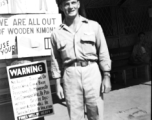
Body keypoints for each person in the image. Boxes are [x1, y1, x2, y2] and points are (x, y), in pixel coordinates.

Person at [50, 0, 112, 120]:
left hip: (92, 72)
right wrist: (58, 84)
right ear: (61, 7)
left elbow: (103, 52)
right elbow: (55, 60)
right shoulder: (56, 34)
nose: (70, 6)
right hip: (70, 75)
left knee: (96, 112)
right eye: (66, 4)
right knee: (75, 115)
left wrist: (107, 76)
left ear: (78, 4)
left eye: (73, 2)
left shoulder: (94, 26)